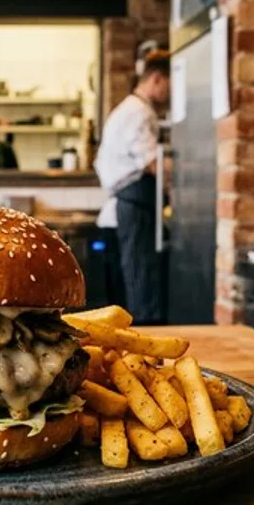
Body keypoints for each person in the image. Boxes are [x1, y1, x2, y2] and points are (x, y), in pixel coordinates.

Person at [94, 50, 170, 325]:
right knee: (143, 286)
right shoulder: (139, 112)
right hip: (135, 205)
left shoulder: (128, 108)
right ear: (158, 79)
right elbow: (152, 162)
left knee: (136, 283)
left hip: (129, 204)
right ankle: (148, 356)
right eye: (169, 86)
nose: (169, 95)